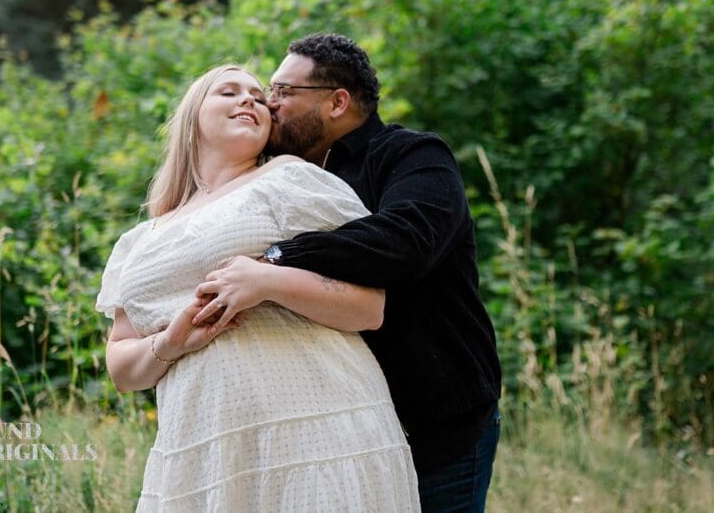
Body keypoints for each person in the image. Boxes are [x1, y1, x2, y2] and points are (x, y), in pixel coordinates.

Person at [197, 33, 503, 512]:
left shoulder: (413, 156)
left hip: (437, 425)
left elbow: (405, 242)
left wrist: (278, 257)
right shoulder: (274, 173)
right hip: (337, 432)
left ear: (337, 102)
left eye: (282, 91)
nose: (269, 103)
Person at [94, 65, 420, 512]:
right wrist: (171, 343)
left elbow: (368, 307)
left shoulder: (290, 180)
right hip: (204, 454)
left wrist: (268, 281)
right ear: (192, 118)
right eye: (229, 91)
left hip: (315, 435)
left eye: (258, 96)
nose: (249, 99)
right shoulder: (139, 240)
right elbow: (121, 368)